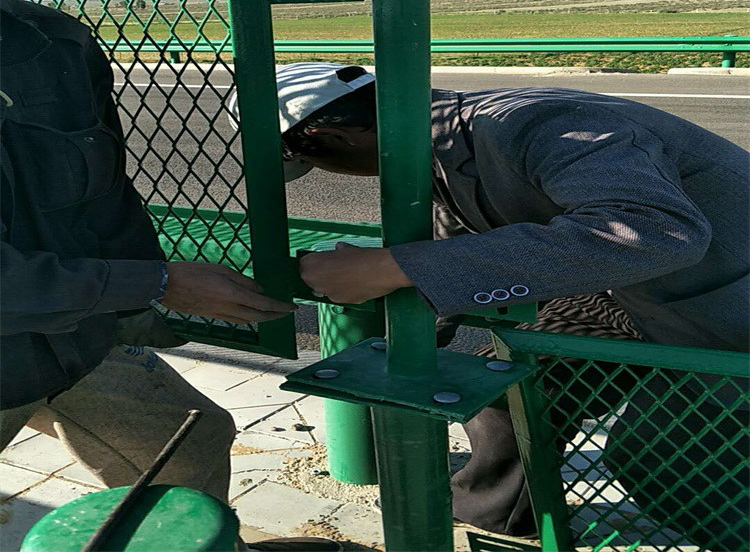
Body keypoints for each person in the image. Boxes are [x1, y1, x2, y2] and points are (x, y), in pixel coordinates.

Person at [259, 61, 748, 550]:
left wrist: (396, 267)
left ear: (333, 137)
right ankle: (503, 514)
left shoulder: (536, 125)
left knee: (663, 455)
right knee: (504, 387)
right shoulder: (441, 148)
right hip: (625, 296)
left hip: (727, 309)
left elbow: (655, 233)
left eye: (309, 161)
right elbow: (455, 245)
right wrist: (416, 329)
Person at [0, 0, 338, 552]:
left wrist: (140, 301)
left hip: (71, 337)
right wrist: (156, 283)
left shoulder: (52, 44)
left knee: (190, 435)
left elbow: (106, 194)